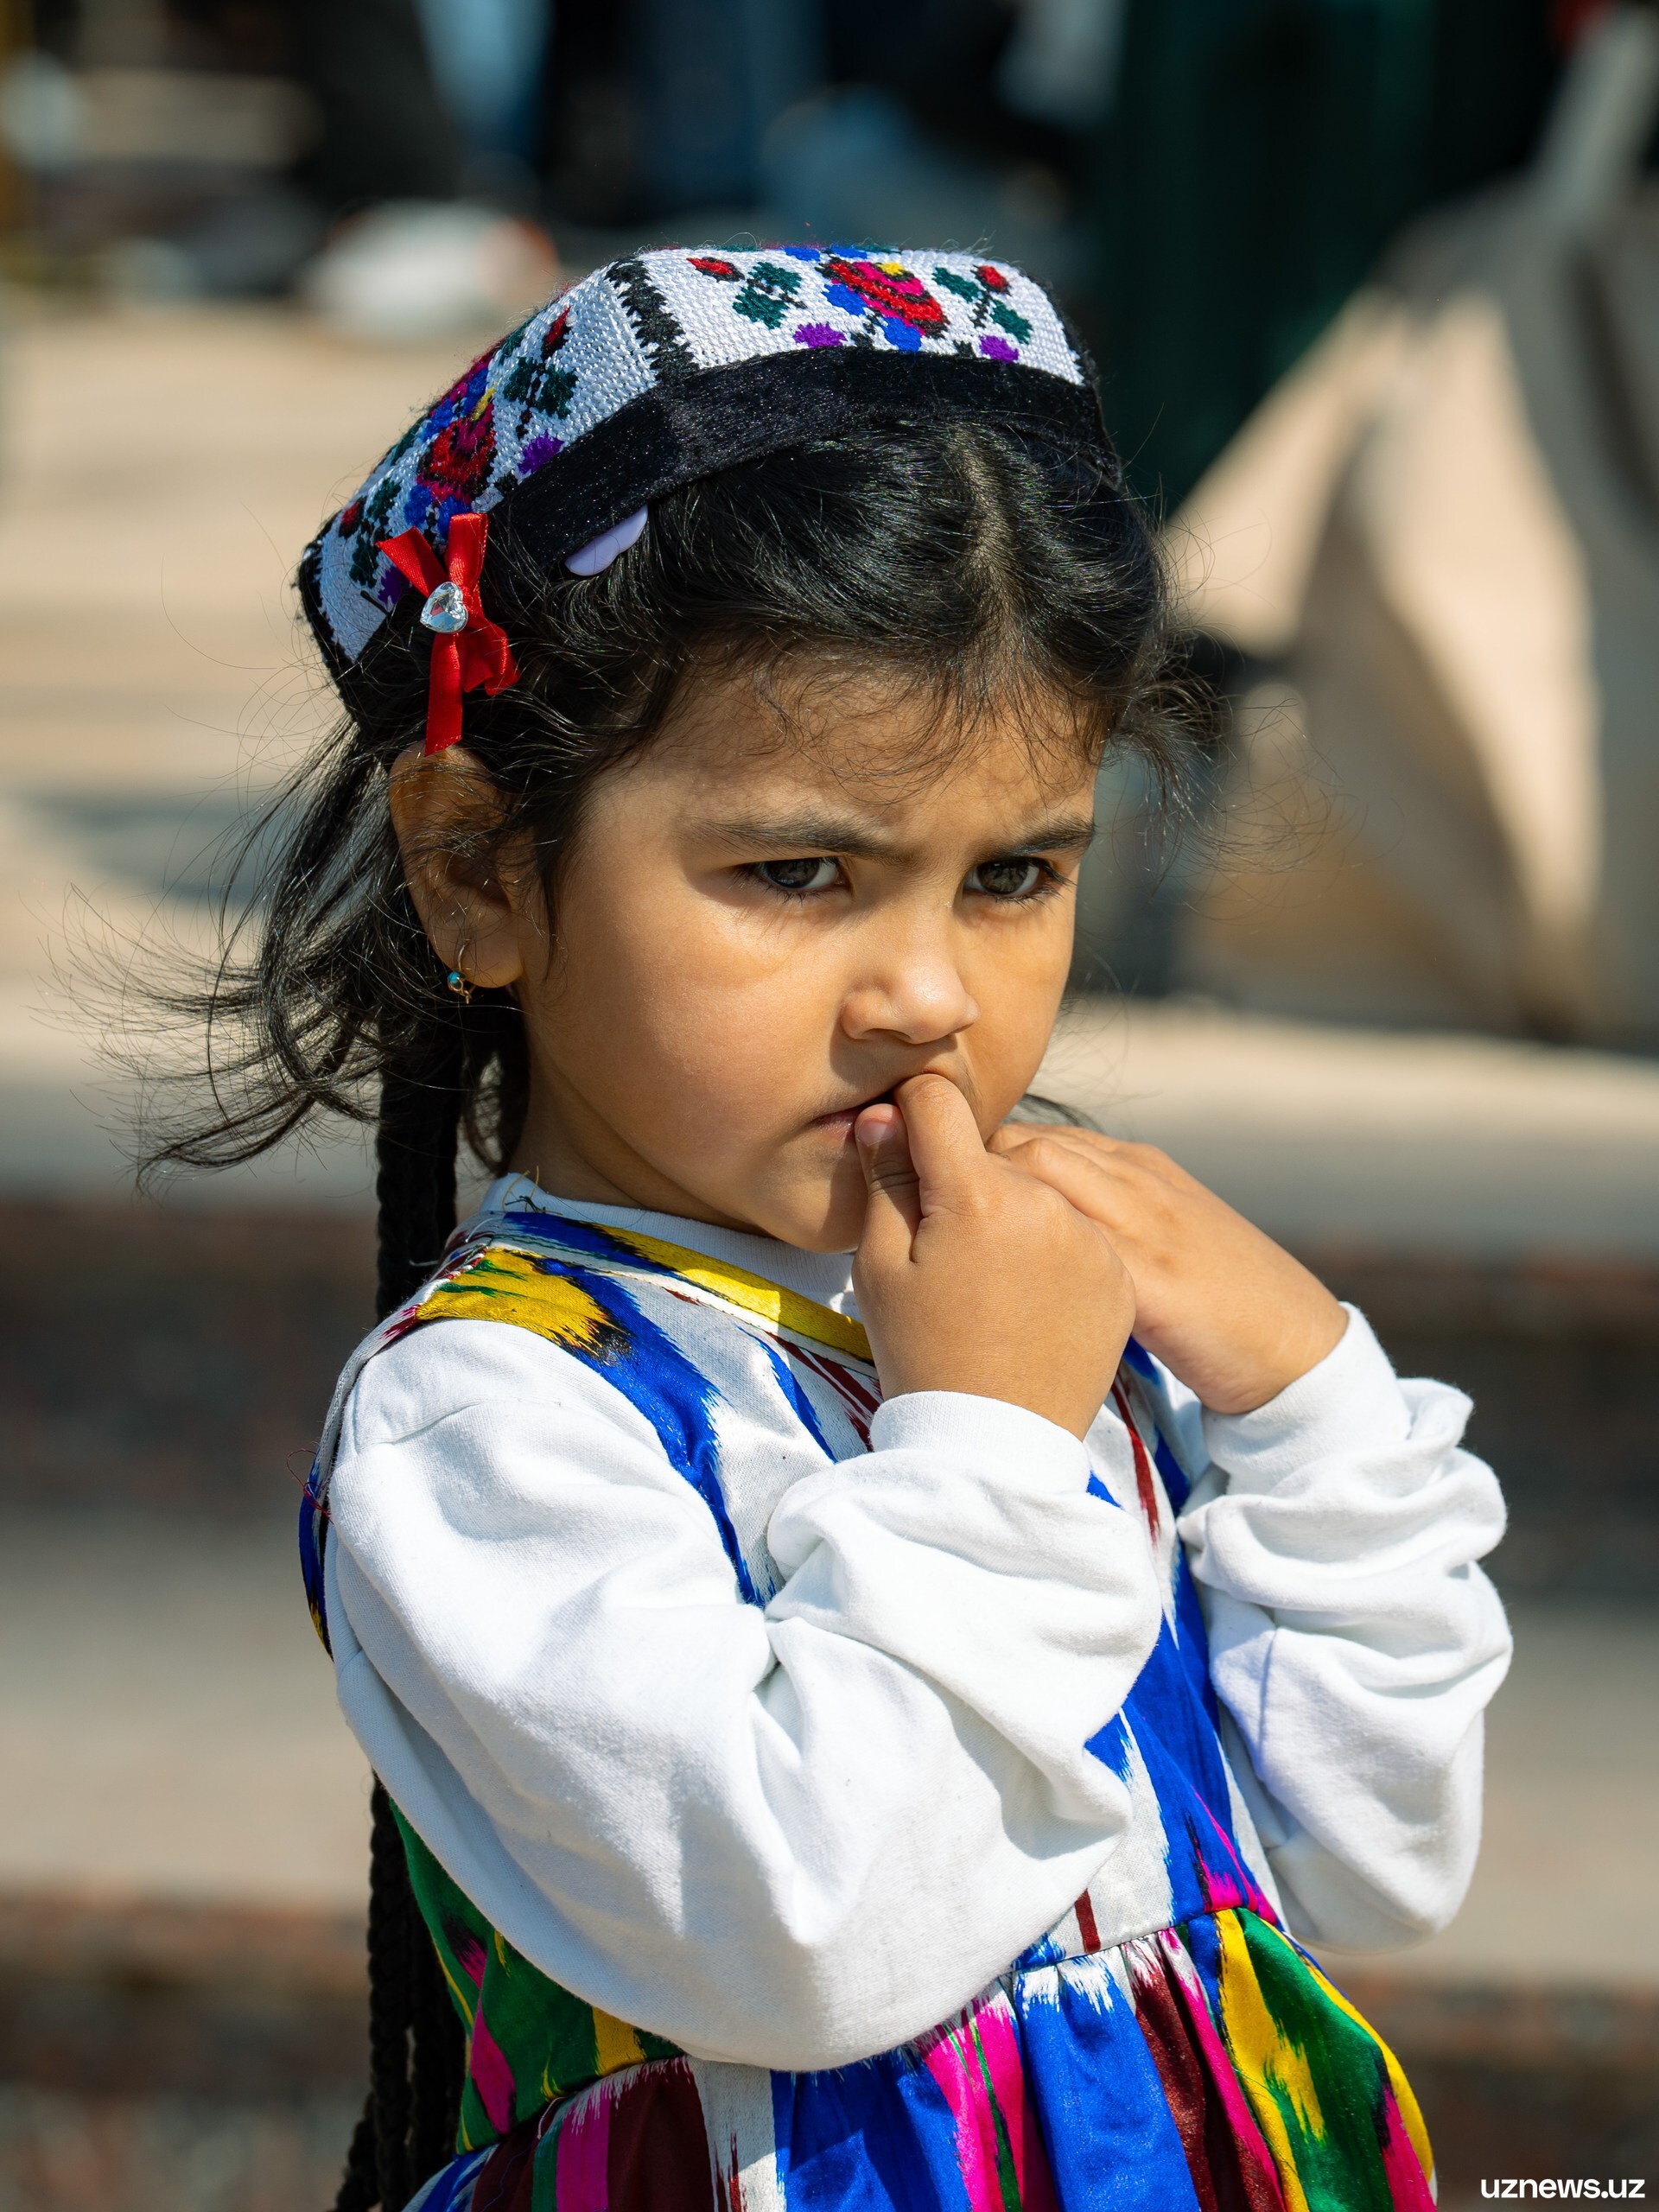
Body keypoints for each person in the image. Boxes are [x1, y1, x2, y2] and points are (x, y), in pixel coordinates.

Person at [161, 248, 1511, 2211]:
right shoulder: (499, 1421)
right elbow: (804, 1936)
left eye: (1016, 875)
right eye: (799, 871)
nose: (928, 996)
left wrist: (1312, 1405)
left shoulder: (1040, 1311)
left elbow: (1366, 1865)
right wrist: (990, 1444)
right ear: (477, 870)